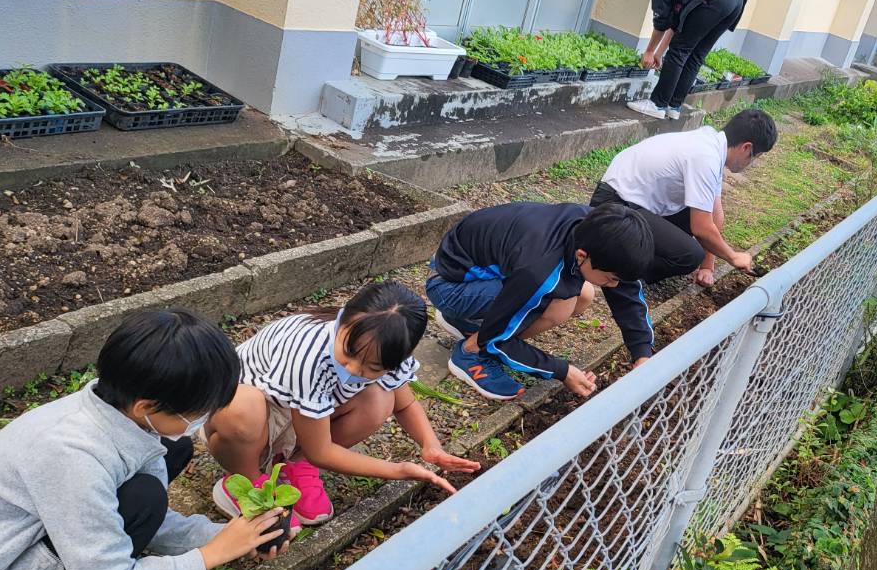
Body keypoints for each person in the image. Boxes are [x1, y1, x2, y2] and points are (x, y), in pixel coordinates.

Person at [0, 309, 285, 570]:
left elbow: (151, 521)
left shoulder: (116, 411)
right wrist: (210, 556)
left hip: (25, 539)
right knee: (145, 495)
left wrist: (230, 536)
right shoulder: (73, 456)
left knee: (172, 452)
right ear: (146, 406)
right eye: (197, 413)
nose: (205, 420)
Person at [204, 283, 475, 530]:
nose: (354, 369)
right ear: (342, 318)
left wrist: (430, 445)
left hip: (303, 413)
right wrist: (397, 470)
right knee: (243, 407)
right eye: (349, 353)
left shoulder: (387, 351)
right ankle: (245, 481)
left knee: (380, 399)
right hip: (246, 418)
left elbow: (404, 405)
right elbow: (321, 451)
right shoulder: (308, 355)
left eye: (372, 368)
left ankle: (295, 465)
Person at [426, 202, 656, 401]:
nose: (614, 286)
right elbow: (498, 340)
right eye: (611, 279)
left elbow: (625, 290)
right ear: (581, 256)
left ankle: (465, 321)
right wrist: (562, 371)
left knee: (584, 296)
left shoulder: (597, 227)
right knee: (559, 305)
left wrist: (642, 353)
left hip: (470, 269)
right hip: (448, 286)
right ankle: (471, 352)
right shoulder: (538, 270)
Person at [592, 108, 778, 287]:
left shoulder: (712, 145)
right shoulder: (706, 157)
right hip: (614, 205)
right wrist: (733, 257)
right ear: (746, 147)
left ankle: (630, 250)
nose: (751, 163)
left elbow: (715, 214)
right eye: (755, 157)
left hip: (632, 201)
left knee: (693, 216)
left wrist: (707, 267)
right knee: (689, 256)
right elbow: (701, 228)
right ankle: (619, 265)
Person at [625, 0, 750, 122]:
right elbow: (676, 23)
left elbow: (661, 20)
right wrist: (659, 53)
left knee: (679, 51)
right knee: (695, 55)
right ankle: (673, 106)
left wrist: (649, 51)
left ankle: (657, 104)